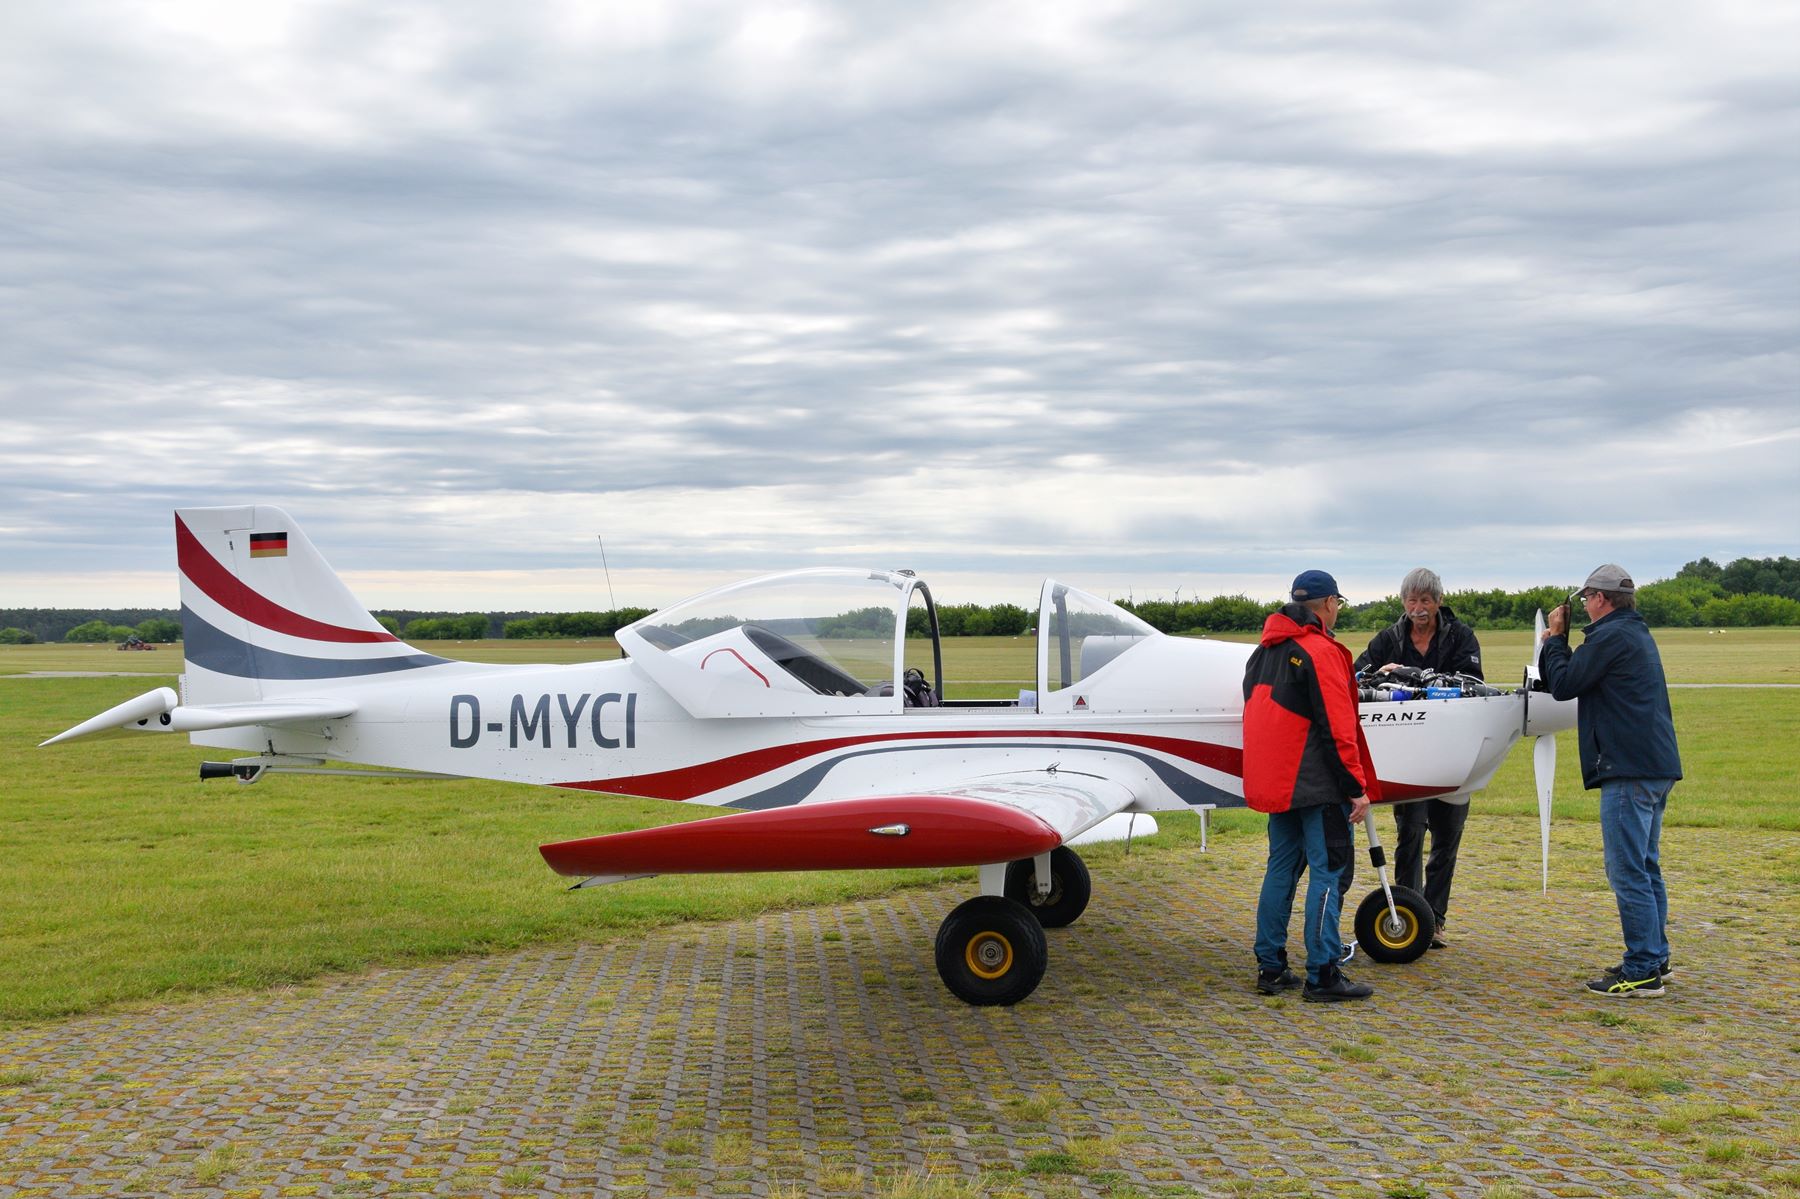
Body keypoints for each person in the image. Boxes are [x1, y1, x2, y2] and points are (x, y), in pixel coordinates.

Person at [1539, 564, 1682, 998]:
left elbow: (1564, 684)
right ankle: (1654, 956)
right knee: (1646, 865)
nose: (1584, 605)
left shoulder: (1609, 636)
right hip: (1654, 764)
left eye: (1587, 598)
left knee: (1626, 870)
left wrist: (1554, 640)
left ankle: (1641, 970)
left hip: (1629, 769)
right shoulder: (1634, 631)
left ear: (1601, 598)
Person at [1244, 569, 1379, 1002]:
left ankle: (1270, 967)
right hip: (1319, 786)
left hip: (1278, 783)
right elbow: (1339, 727)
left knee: (1280, 870)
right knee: (1328, 872)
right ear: (1328, 604)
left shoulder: (1262, 653)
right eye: (1338, 603)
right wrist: (1355, 785)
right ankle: (1322, 973)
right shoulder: (1322, 651)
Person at [1354, 567, 1483, 948]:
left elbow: (1472, 685)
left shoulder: (1461, 636)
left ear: (1439, 601)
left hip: (1454, 754)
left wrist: (1411, 674)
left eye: (1425, 600)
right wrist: (1380, 674)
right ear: (1403, 602)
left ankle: (1435, 919)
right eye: (1412, 601)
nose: (1418, 608)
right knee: (1410, 834)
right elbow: (1357, 677)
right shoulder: (1387, 639)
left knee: (1447, 836)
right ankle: (1412, 914)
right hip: (1408, 759)